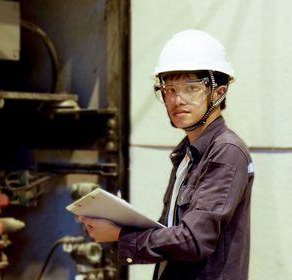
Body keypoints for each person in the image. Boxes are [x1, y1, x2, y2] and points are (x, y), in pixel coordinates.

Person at [78, 29, 254, 280]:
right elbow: (173, 233)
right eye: (169, 89)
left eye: (191, 88)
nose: (177, 99)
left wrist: (120, 235)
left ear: (218, 93)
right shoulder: (186, 153)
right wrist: (121, 226)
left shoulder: (226, 151)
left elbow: (194, 240)